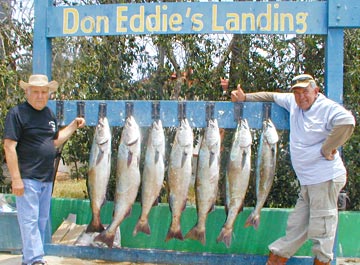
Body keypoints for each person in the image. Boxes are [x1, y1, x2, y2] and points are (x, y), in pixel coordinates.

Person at [231, 74, 355, 265]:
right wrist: (245, 97)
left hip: (324, 179)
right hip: (308, 182)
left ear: (316, 91)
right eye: (297, 92)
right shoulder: (293, 102)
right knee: (297, 226)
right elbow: (271, 96)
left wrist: (328, 147)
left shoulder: (326, 108)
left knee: (322, 231)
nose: (301, 97)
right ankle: (275, 260)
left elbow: (347, 121)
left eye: (305, 92)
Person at [3, 74, 86, 265]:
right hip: (27, 178)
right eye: (36, 92)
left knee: (40, 221)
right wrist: (16, 179)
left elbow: (54, 141)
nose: (40, 96)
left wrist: (73, 125)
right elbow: (9, 146)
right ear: (27, 92)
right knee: (29, 221)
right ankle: (35, 259)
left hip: (46, 179)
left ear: (48, 94)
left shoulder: (49, 115)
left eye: (44, 92)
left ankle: (30, 259)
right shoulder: (17, 114)